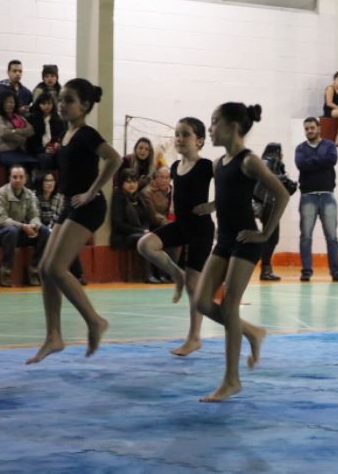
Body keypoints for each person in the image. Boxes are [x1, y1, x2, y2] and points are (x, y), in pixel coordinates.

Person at [193, 102, 290, 401]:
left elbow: (282, 194)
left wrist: (265, 232)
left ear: (233, 126)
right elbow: (229, 197)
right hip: (224, 239)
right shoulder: (218, 163)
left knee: (229, 306)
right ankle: (251, 331)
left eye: (214, 122)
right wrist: (210, 207)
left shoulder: (249, 161)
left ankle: (231, 380)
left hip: (247, 240)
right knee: (201, 301)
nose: (210, 128)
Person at [26, 78, 121, 364]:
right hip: (70, 205)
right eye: (61, 99)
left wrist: (92, 190)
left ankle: (95, 321)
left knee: (56, 267)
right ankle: (54, 336)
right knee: (45, 268)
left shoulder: (87, 134)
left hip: (89, 206)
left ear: (85, 106)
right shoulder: (64, 134)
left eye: (68, 100)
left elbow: (114, 159)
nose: (62, 104)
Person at [137, 117, 214, 357]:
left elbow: (230, 188)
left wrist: (212, 206)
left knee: (194, 286)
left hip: (201, 229)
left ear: (199, 141)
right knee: (145, 244)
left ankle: (194, 338)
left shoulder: (206, 165)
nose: (179, 139)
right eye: (177, 134)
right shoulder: (174, 167)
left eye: (185, 134)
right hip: (181, 225)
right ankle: (176, 274)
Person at [295, 117, 338, 282]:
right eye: (307, 129)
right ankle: (306, 271)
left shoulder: (330, 145)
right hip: (308, 196)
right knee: (306, 237)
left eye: (312, 127)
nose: (309, 131)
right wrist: (321, 161)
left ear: (319, 128)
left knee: (332, 237)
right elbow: (301, 165)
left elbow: (332, 160)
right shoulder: (300, 148)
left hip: (327, 196)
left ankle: (336, 272)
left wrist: (312, 161)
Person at [0, 166, 51, 287]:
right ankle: (6, 270)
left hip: (17, 230)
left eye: (21, 177)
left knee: (44, 231)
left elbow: (34, 215)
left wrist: (35, 225)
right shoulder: (0, 194)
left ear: (26, 179)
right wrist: (23, 226)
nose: (18, 180)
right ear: (9, 178)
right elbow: (1, 219)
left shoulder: (29, 194)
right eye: (14, 177)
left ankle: (35, 269)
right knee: (12, 231)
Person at [253, 142, 297, 281]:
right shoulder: (267, 162)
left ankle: (265, 269)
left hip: (270, 202)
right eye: (280, 151)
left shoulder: (275, 164)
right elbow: (266, 178)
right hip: (267, 203)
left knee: (270, 237)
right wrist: (283, 178)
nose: (282, 154)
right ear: (276, 151)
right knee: (272, 237)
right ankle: (264, 269)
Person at [36, 171, 86, 284]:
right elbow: (35, 217)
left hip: (55, 228)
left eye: (52, 180)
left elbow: (60, 217)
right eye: (46, 181)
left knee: (69, 238)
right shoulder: (35, 197)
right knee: (48, 234)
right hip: (40, 230)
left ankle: (77, 275)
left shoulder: (59, 198)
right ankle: (43, 273)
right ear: (40, 182)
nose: (50, 183)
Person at [110, 170, 154, 256]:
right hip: (124, 236)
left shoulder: (139, 197)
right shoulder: (119, 197)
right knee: (149, 241)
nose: (132, 185)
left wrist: (146, 230)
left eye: (134, 181)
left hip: (140, 233)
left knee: (162, 239)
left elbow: (147, 218)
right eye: (128, 182)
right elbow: (118, 224)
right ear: (121, 183)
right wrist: (141, 231)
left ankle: (169, 265)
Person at [0, 92, 38, 173]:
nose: (9, 105)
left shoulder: (19, 117)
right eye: (6, 102)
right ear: (1, 103)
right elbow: (4, 133)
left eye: (12, 102)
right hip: (4, 151)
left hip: (20, 151)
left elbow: (30, 130)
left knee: (34, 163)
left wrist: (14, 131)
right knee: (19, 165)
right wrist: (21, 138)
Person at [27, 90, 65, 175]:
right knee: (45, 158)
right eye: (43, 104)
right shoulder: (32, 119)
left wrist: (58, 144)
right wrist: (44, 149)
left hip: (53, 148)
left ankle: (62, 181)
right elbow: (31, 142)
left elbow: (62, 136)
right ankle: (45, 181)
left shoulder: (58, 119)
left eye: (49, 103)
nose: (47, 106)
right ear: (38, 105)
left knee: (63, 155)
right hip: (38, 150)